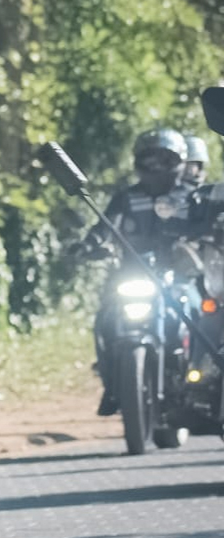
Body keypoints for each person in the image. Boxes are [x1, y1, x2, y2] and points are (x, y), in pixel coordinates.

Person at [70, 128, 193, 416]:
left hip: (179, 277)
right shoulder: (126, 197)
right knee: (105, 320)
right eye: (149, 160)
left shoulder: (190, 197)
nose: (156, 167)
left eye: (164, 159)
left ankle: (198, 383)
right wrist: (88, 245)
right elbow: (104, 227)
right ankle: (113, 385)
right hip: (133, 274)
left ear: (179, 162)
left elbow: (209, 228)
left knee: (197, 316)